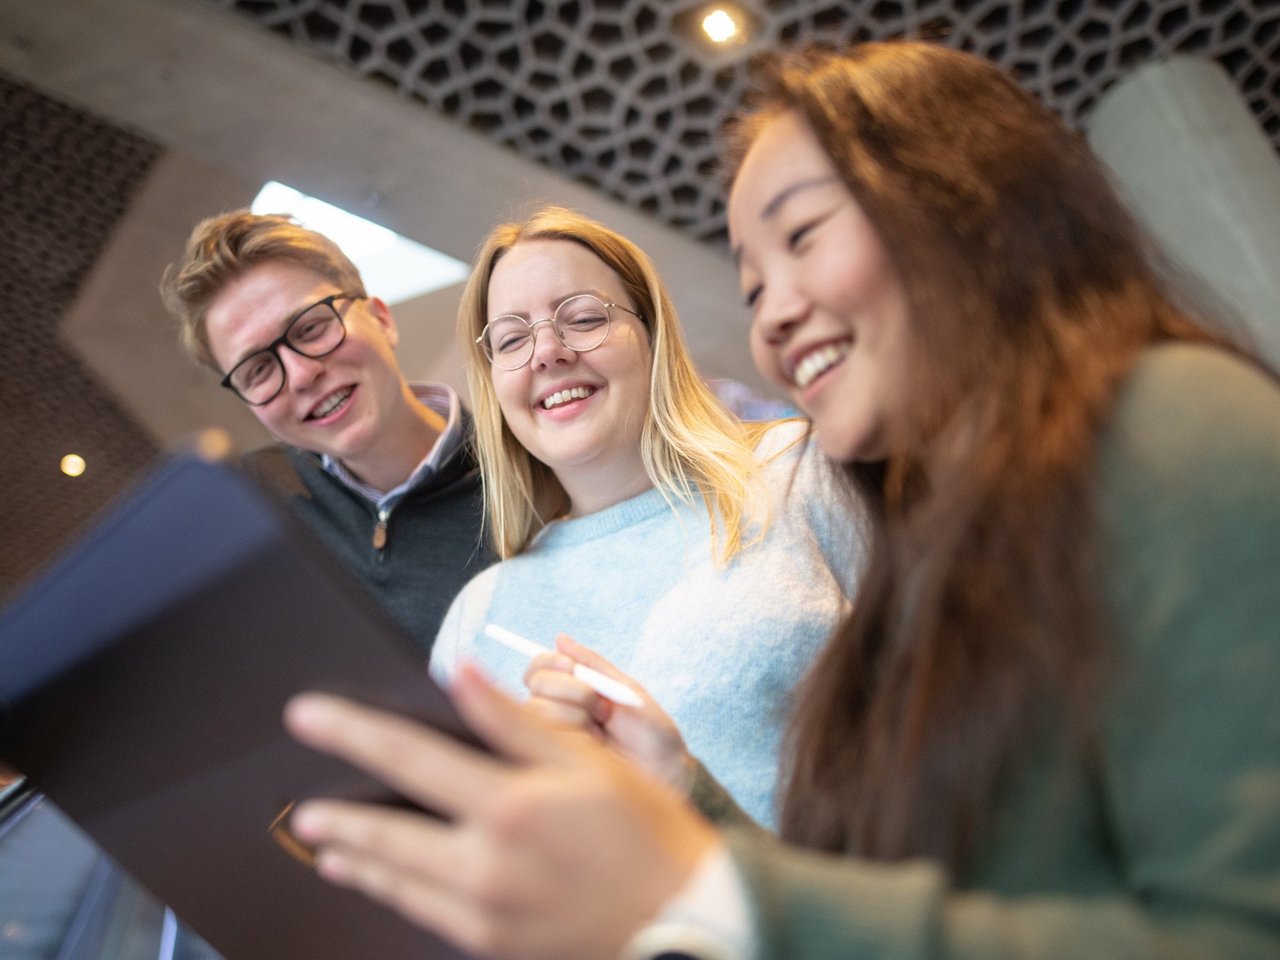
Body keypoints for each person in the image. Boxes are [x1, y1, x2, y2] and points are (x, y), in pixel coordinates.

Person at [282, 42, 1280, 960]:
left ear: (958, 203)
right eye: (752, 286)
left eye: (802, 235)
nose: (774, 314)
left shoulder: (1162, 429)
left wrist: (705, 882)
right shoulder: (482, 614)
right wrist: (686, 803)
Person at [429, 204, 863, 825]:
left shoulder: (800, 472)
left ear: (652, 334)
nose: (547, 352)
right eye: (512, 339)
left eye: (582, 318)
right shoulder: (475, 623)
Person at [161, 212, 493, 655]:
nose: (299, 375)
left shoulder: (531, 469)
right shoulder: (253, 509)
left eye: (311, 328)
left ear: (381, 319)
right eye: (258, 369)